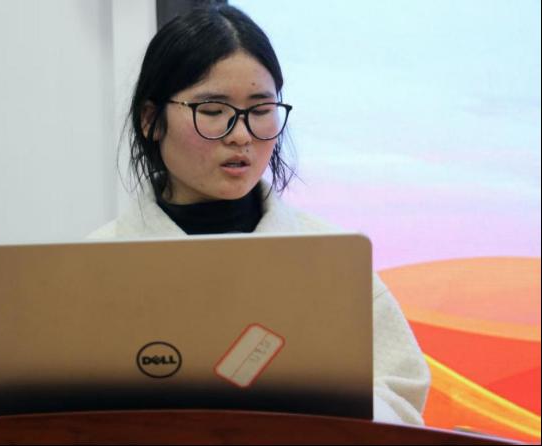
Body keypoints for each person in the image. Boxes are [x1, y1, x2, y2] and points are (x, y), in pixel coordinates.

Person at [88, 4, 430, 425]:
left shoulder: (332, 261)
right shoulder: (91, 265)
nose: (240, 135)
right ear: (150, 120)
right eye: (212, 111)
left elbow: (401, 395)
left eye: (260, 111)